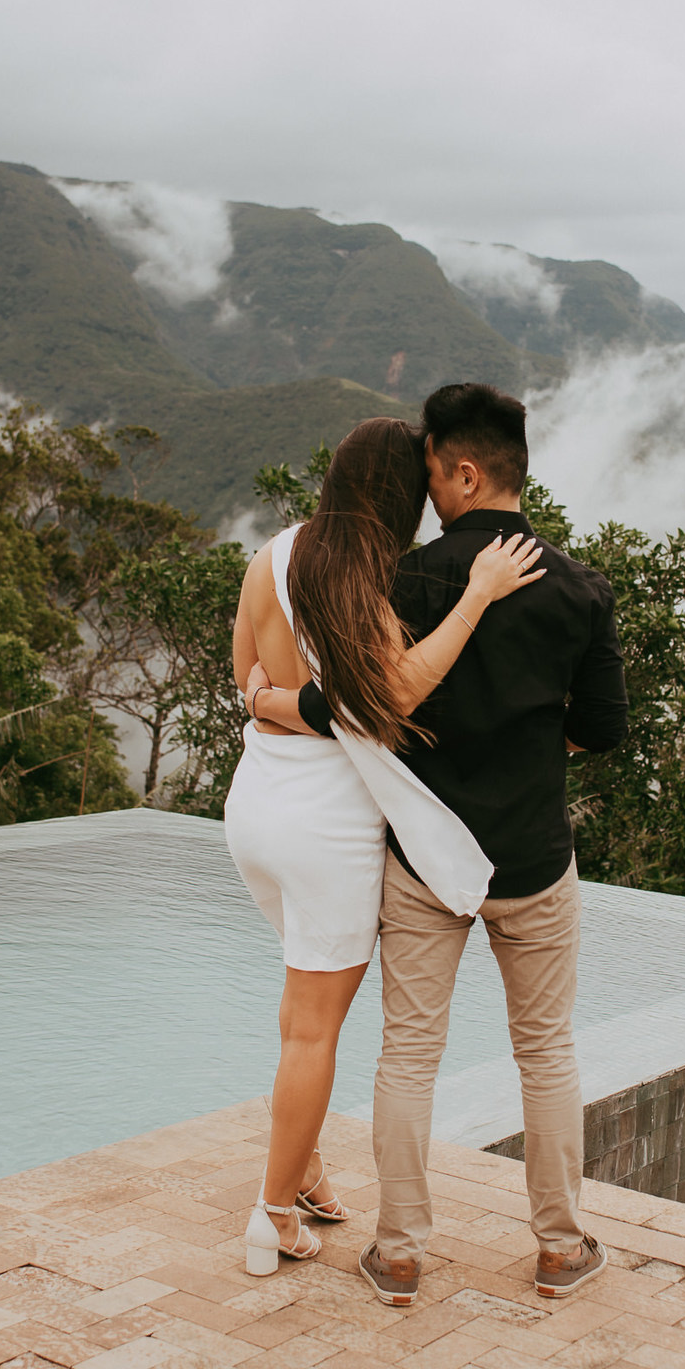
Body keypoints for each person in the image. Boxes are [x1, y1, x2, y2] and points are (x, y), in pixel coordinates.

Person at [291, 384, 629, 1304]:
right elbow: (603, 727)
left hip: (427, 862)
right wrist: (537, 745)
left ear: (466, 472)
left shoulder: (406, 581)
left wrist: (278, 704)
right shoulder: (580, 588)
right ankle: (560, 1249)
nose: (428, 491)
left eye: (434, 472)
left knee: (408, 1055)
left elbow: (361, 701)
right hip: (533, 858)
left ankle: (399, 1254)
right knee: (546, 1053)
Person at [224, 417, 544, 1277]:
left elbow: (247, 672)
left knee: (299, 1005)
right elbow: (392, 697)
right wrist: (477, 595)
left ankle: (304, 1168)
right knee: (315, 1030)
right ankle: (272, 1217)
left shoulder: (272, 556)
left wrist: (269, 702)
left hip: (255, 808)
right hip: (326, 826)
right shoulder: (368, 579)